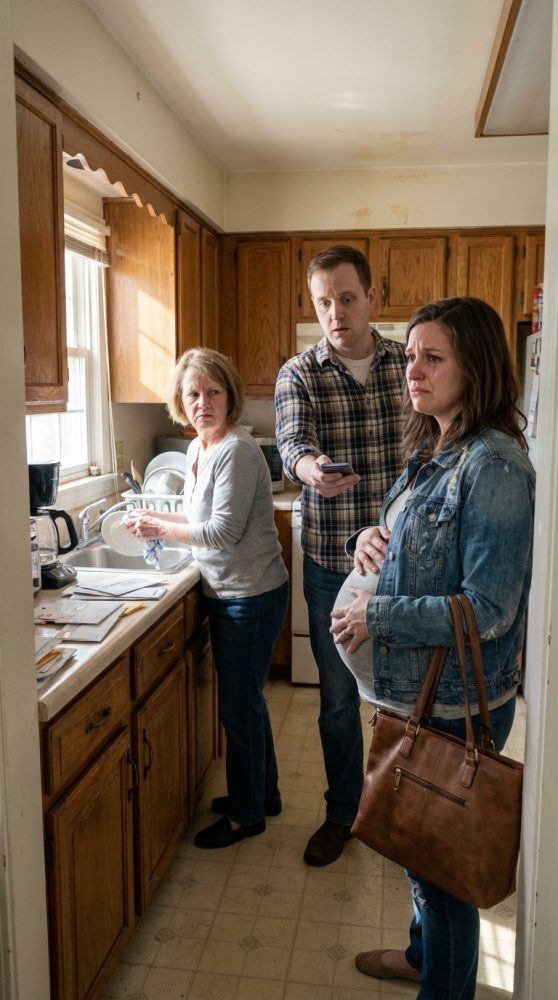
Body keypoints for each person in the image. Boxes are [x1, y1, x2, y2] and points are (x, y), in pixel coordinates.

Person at [330, 296, 535, 999]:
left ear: (474, 367)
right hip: (413, 691)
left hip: (453, 705)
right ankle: (423, 957)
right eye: (411, 355)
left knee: (444, 879)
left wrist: (378, 615)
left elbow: (488, 610)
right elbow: (411, 545)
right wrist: (367, 540)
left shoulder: (494, 466)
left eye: (433, 357)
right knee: (418, 848)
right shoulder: (437, 449)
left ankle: (440, 981)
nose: (412, 369)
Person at [275, 245, 407, 866]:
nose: (335, 314)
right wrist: (312, 470)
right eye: (323, 302)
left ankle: (399, 811)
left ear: (372, 298)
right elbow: (292, 442)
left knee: (402, 695)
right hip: (333, 565)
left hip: (406, 563)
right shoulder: (299, 373)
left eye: (347, 299)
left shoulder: (407, 363)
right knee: (337, 699)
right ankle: (343, 813)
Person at [126, 347, 289, 849]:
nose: (203, 403)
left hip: (251, 595)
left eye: (213, 392)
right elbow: (196, 518)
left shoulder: (236, 451)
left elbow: (221, 532)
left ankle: (246, 816)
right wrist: (153, 519)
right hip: (230, 592)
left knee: (239, 709)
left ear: (230, 396)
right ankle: (263, 794)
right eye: (193, 394)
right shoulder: (199, 448)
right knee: (247, 703)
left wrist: (160, 528)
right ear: (180, 401)